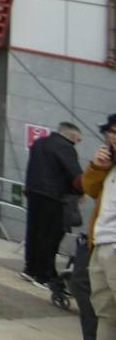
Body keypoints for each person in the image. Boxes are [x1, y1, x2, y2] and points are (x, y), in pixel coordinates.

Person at [23, 122, 83, 288]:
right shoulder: (66, 148)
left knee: (34, 231)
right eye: (78, 140)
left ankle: (30, 268)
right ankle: (44, 275)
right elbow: (75, 173)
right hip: (54, 196)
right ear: (71, 136)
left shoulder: (39, 143)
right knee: (50, 236)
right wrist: (81, 191)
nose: (77, 143)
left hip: (34, 191)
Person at [81, 113, 116, 337]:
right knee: (105, 311)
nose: (114, 137)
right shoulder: (108, 164)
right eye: (112, 132)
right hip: (100, 243)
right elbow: (90, 190)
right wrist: (97, 167)